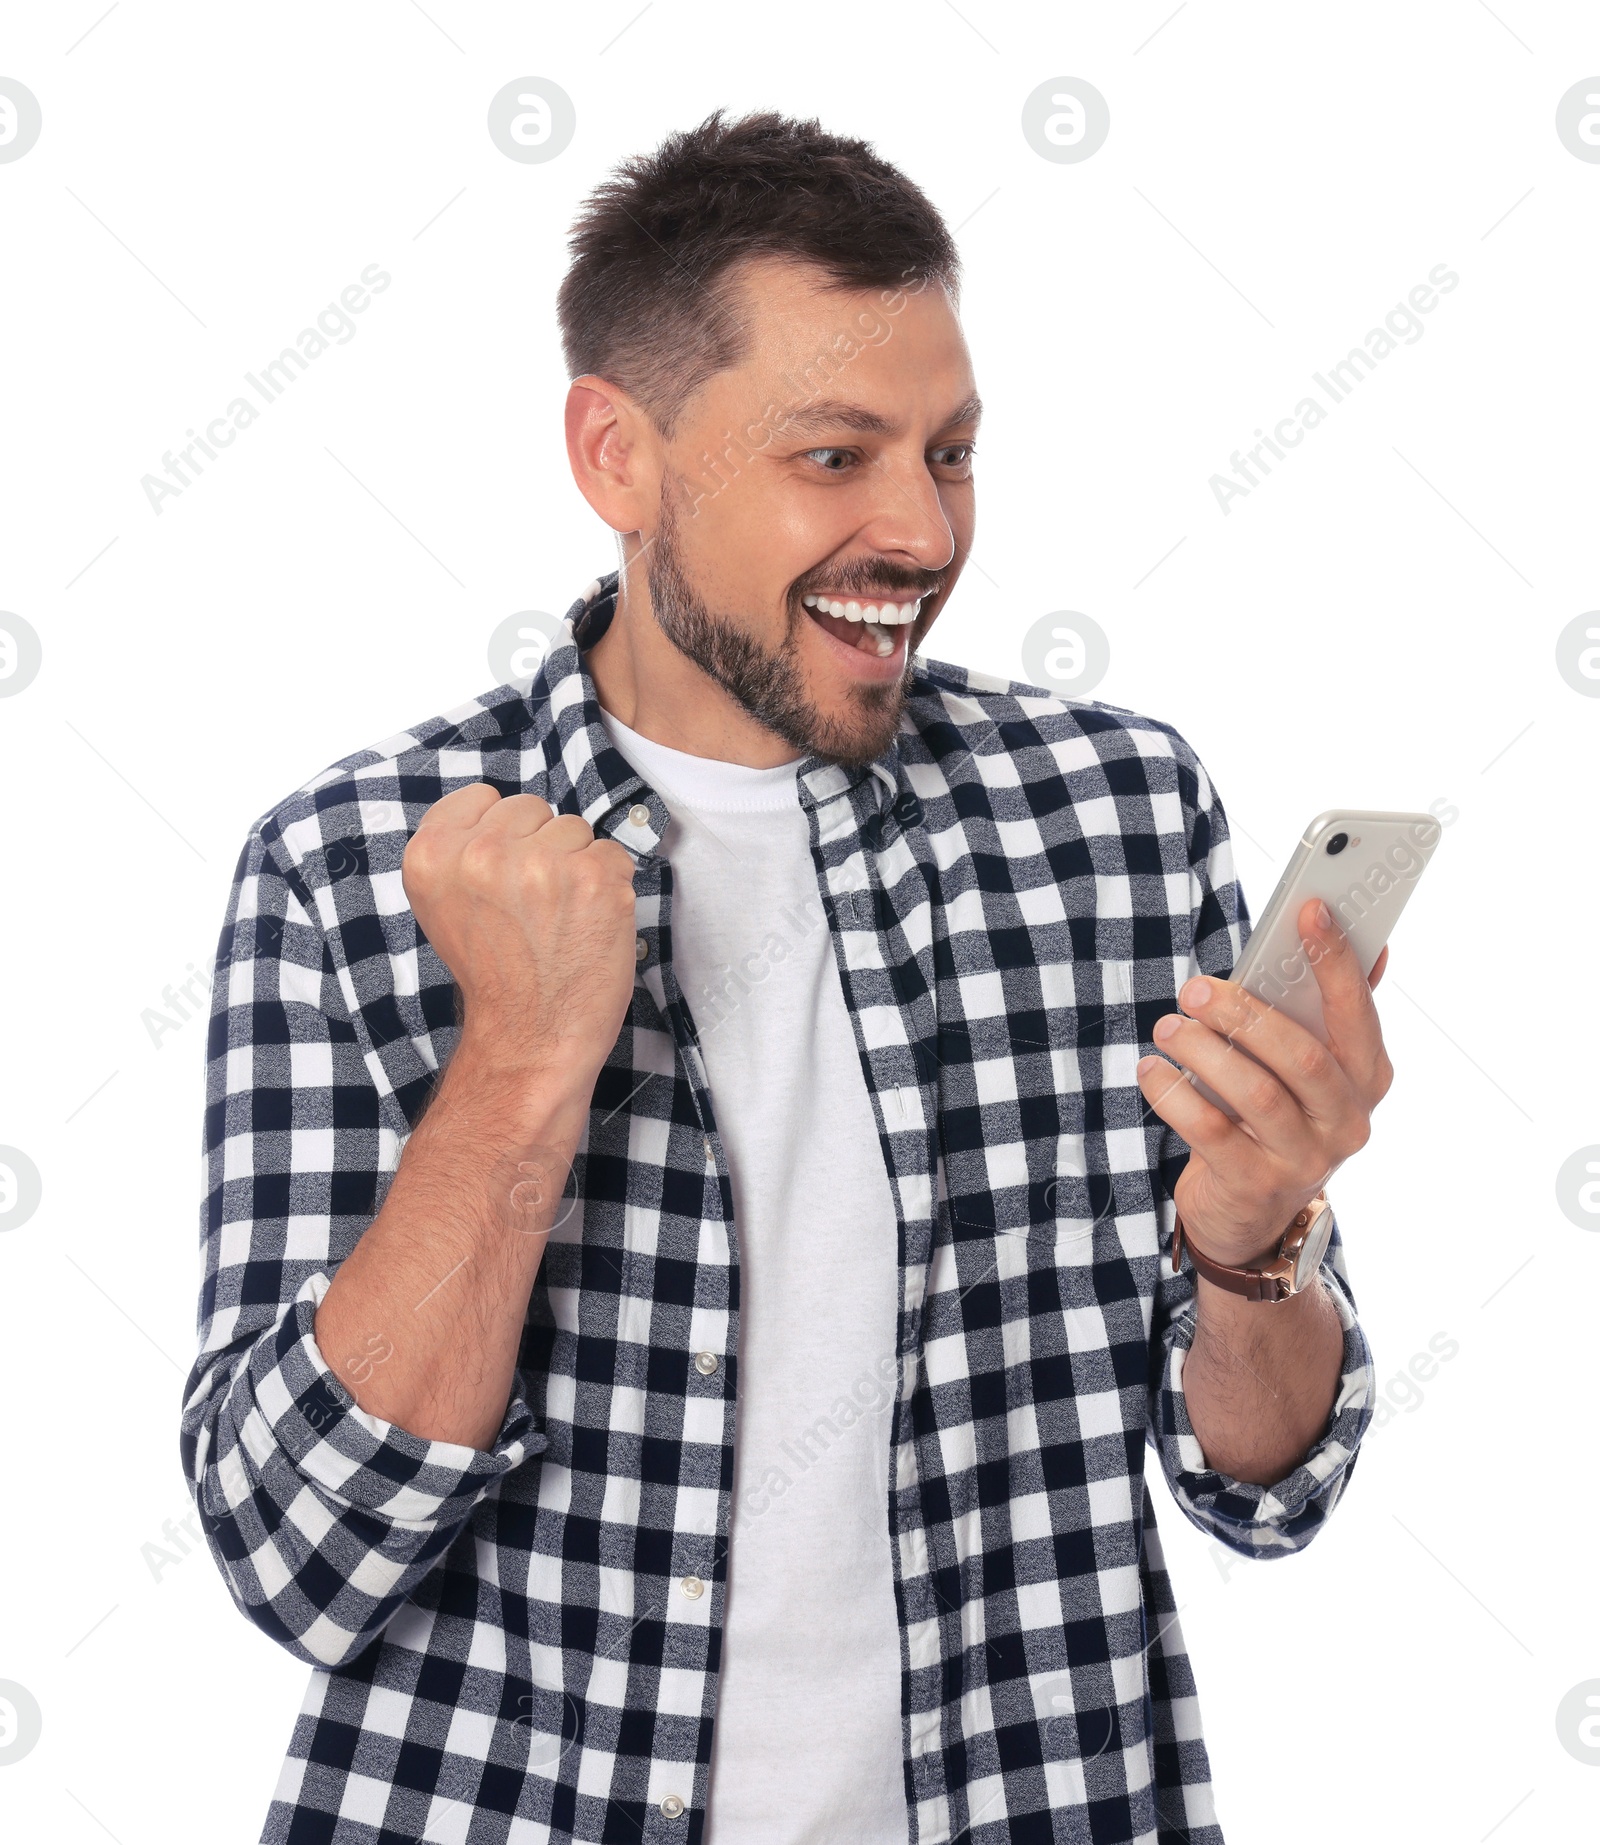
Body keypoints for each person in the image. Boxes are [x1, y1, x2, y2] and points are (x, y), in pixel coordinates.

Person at [181, 109, 1389, 1845]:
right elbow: (297, 1555)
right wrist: (521, 1062)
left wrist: (1256, 1236)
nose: (921, 529)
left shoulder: (1121, 815)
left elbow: (1267, 1490)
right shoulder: (361, 862)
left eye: (953, 454)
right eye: (836, 456)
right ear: (619, 457)